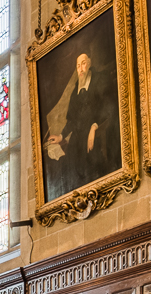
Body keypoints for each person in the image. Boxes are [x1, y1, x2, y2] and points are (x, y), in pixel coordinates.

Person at [43, 50, 118, 199]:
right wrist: (61, 135)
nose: (81, 68)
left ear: (89, 64)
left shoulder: (100, 79)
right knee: (68, 164)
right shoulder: (75, 91)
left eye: (83, 63)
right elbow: (71, 120)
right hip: (78, 136)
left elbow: (109, 107)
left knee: (91, 157)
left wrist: (94, 126)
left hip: (98, 130)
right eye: (78, 66)